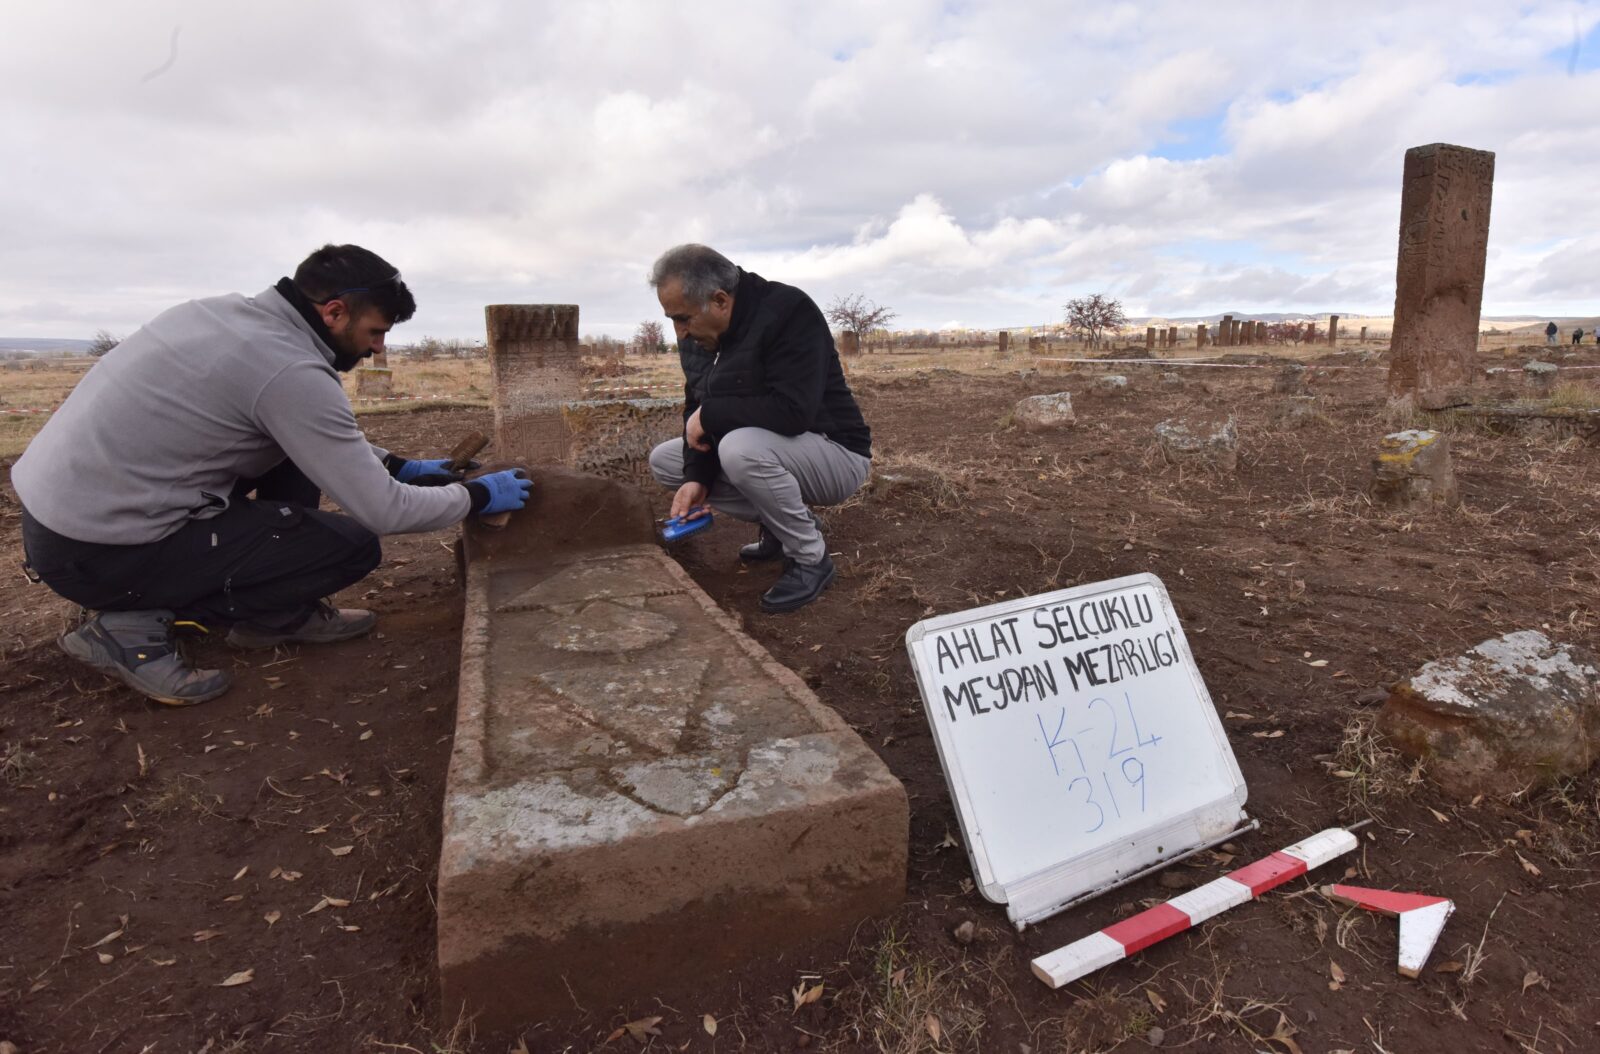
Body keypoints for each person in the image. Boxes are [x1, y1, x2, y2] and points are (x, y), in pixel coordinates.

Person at [13, 244, 532, 706]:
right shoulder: (289, 369)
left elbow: (300, 430)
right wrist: (477, 495)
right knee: (352, 546)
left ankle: (274, 613)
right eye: (376, 332)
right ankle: (128, 627)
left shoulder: (218, 316)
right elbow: (384, 511)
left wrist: (398, 465)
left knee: (290, 462)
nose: (378, 349)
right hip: (102, 551)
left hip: (66, 518)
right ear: (334, 312)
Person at [645, 244, 872, 613]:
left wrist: (710, 414)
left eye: (683, 319)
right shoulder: (701, 338)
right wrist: (696, 477)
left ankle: (811, 559)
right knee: (667, 461)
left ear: (719, 300)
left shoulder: (788, 311)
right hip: (774, 449)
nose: (680, 332)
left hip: (837, 454)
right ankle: (782, 527)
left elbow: (793, 412)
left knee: (739, 448)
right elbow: (697, 413)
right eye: (673, 319)